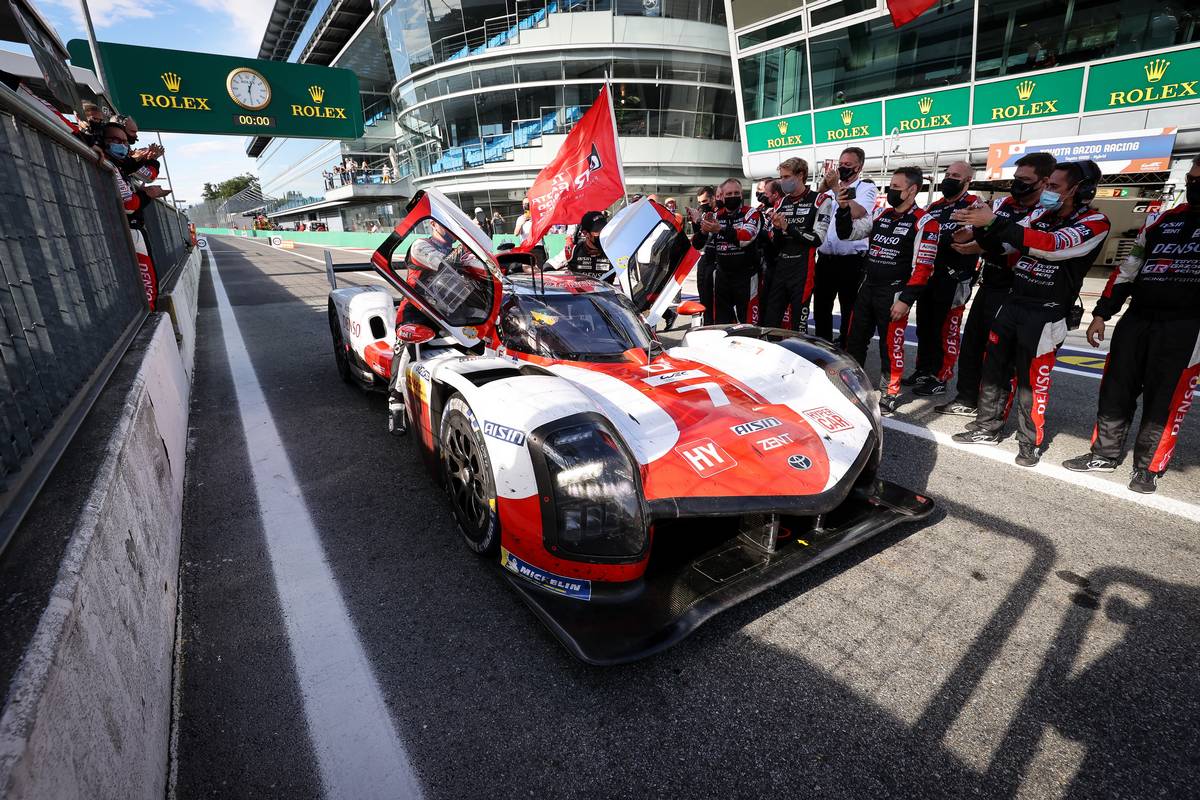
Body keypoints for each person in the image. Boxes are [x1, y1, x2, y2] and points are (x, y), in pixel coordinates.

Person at [952, 161, 1110, 467]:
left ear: (1079, 191)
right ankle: (987, 427)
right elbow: (1005, 245)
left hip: (1048, 311)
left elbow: (1052, 247)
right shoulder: (1039, 214)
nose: (1047, 193)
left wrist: (994, 222)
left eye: (1054, 187)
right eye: (1047, 185)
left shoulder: (1096, 222)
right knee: (994, 369)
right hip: (1014, 301)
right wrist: (981, 227)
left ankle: (1030, 441)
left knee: (1031, 380)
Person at [1061, 156, 1200, 493]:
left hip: (1186, 328)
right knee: (1115, 389)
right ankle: (1104, 455)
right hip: (1137, 319)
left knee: (1164, 399)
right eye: (1192, 178)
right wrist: (1102, 313)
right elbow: (1128, 269)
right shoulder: (1161, 220)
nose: (1193, 184)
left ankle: (1147, 468)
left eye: (1199, 178)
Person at [937, 151, 1057, 416]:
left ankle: (993, 411)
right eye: (1015, 177)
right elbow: (979, 228)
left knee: (1000, 352)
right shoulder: (1003, 203)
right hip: (990, 282)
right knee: (972, 342)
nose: (1017, 183)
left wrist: (976, 243)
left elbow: (1009, 243)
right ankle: (966, 399)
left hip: (1017, 288)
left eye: (1024, 179)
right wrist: (967, 232)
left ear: (1044, 181)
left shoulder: (1046, 211)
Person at [836, 166, 939, 415]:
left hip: (894, 293)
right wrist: (842, 210)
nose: (891, 191)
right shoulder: (882, 215)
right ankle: (853, 384)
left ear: (912, 190)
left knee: (890, 345)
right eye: (890, 187)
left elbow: (924, 267)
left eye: (896, 188)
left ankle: (890, 392)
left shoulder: (926, 222)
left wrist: (906, 299)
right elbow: (848, 233)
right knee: (855, 338)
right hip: (868, 287)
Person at [907, 161, 981, 396]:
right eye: (947, 174)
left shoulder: (974, 205)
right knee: (925, 327)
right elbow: (922, 234)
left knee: (946, 329)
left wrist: (944, 238)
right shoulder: (935, 207)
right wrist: (948, 238)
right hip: (930, 274)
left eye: (955, 175)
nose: (949, 178)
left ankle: (941, 377)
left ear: (967, 180)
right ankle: (924, 370)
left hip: (956, 278)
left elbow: (965, 237)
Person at [814, 147, 877, 345]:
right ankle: (822, 344)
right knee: (822, 306)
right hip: (825, 258)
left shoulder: (866, 187)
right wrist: (828, 183)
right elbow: (816, 197)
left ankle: (847, 345)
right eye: (841, 164)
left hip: (851, 260)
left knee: (849, 306)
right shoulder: (832, 187)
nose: (843, 168)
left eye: (848, 165)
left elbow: (857, 212)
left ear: (859, 166)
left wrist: (835, 188)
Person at [762, 158, 831, 332]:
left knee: (798, 326)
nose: (782, 182)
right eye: (781, 177)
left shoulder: (821, 200)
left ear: (800, 175)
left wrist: (788, 227)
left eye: (786, 177)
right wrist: (777, 230)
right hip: (781, 267)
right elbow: (777, 243)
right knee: (771, 321)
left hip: (803, 269)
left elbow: (818, 239)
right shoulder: (781, 202)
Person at [692, 179, 764, 325]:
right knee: (721, 322)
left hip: (746, 276)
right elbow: (698, 245)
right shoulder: (717, 215)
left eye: (736, 193)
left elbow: (746, 238)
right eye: (729, 193)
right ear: (722, 196)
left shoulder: (751, 213)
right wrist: (703, 231)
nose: (733, 196)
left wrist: (720, 230)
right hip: (722, 276)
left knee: (749, 323)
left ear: (742, 195)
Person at [692, 185, 718, 324]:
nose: (702, 205)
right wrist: (697, 223)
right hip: (704, 259)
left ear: (713, 198)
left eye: (704, 201)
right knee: (704, 297)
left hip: (719, 261)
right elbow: (697, 243)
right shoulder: (700, 214)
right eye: (700, 202)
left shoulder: (721, 212)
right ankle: (707, 324)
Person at [564, 211, 612, 280]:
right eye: (597, 230)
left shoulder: (613, 251)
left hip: (607, 290)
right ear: (585, 233)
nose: (602, 233)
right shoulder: (572, 251)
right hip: (580, 290)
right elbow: (547, 269)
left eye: (604, 229)